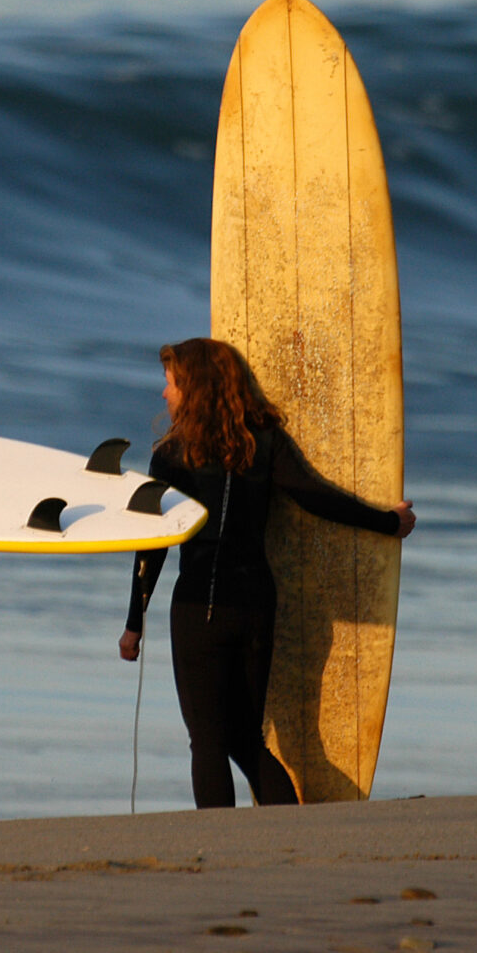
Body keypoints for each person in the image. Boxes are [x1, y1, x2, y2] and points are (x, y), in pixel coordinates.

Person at [118, 337, 414, 809]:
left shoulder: (173, 456)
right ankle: (287, 834)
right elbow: (315, 496)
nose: (164, 394)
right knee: (246, 739)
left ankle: (220, 850)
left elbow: (151, 548)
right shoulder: (265, 443)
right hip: (257, 607)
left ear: (193, 390)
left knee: (209, 741)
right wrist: (387, 521)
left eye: (170, 383)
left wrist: (135, 622)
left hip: (201, 609)